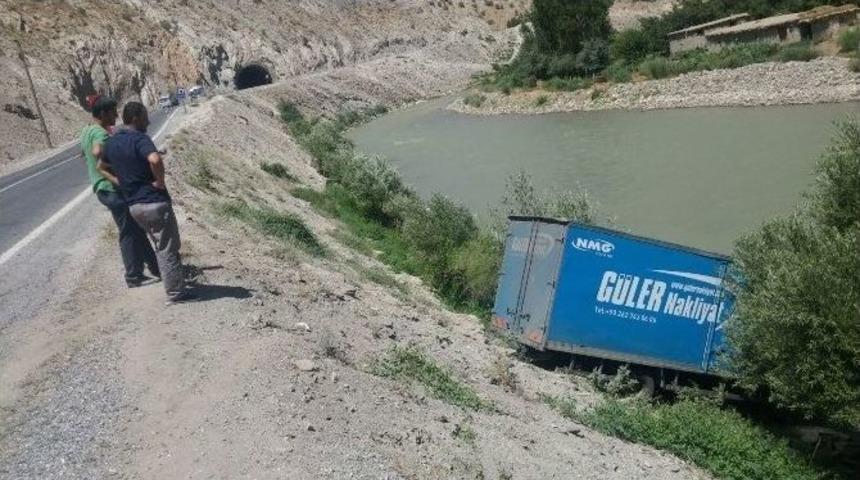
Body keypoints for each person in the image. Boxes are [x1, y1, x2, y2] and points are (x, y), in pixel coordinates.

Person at [102, 101, 195, 305]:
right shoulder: (140, 138)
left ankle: (175, 283)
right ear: (136, 118)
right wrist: (159, 182)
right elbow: (154, 160)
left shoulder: (112, 142)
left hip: (134, 205)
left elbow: (102, 165)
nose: (148, 121)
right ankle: (175, 293)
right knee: (167, 248)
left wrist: (121, 182)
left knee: (160, 246)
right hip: (154, 202)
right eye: (145, 117)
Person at [81, 96, 159, 287]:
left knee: (136, 229)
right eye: (112, 113)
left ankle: (154, 268)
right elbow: (97, 152)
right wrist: (115, 162)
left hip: (101, 188)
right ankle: (133, 276)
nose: (116, 116)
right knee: (128, 232)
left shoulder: (87, 130)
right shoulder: (100, 133)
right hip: (112, 188)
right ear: (102, 114)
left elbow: (84, 153)